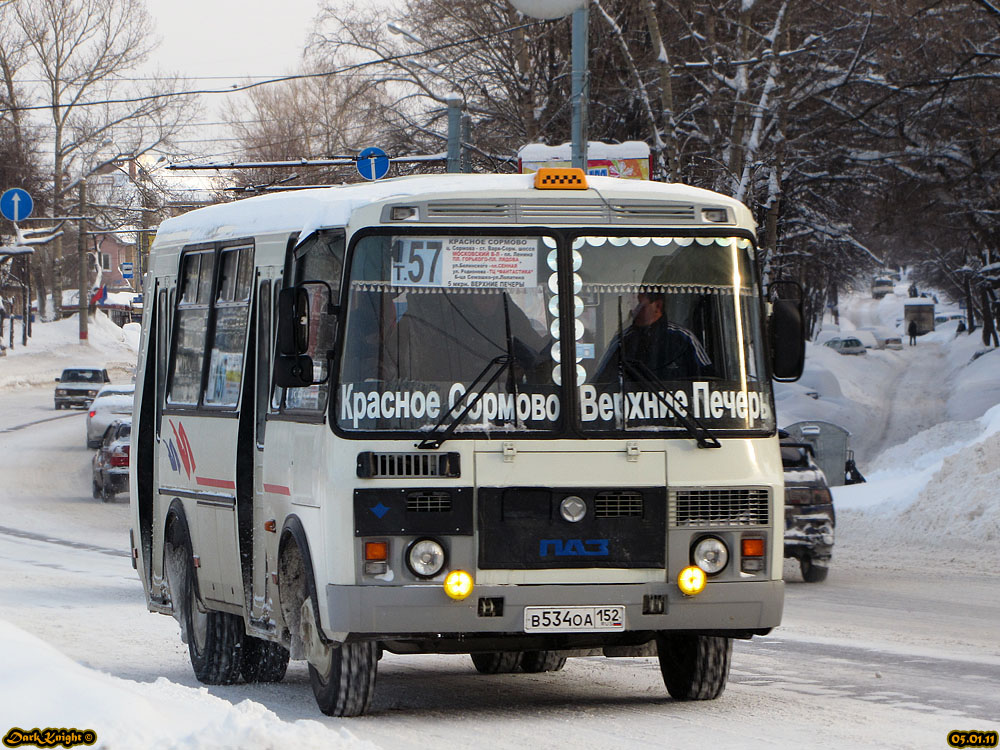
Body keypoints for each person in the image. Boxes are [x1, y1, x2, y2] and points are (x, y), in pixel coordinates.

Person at [593, 291, 711, 384]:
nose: (633, 310)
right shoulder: (622, 341)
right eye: (632, 305)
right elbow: (602, 384)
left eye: (640, 305)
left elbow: (712, 383)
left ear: (657, 306)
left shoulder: (684, 338)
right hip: (632, 413)